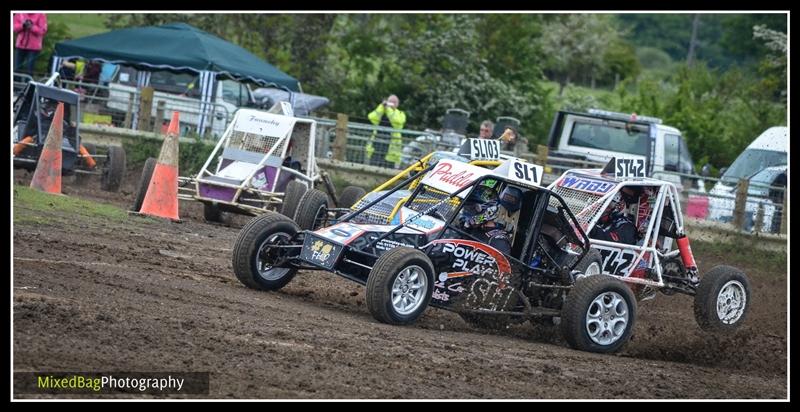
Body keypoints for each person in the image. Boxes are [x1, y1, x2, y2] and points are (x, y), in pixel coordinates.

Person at [459, 182, 523, 254]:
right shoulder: (468, 228)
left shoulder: (498, 242)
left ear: (489, 211)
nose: (466, 211)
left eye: (471, 208)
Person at [366, 94, 406, 169]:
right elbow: (371, 117)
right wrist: (381, 106)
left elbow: (397, 121)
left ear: (397, 104)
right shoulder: (381, 111)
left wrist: (389, 109)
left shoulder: (401, 114)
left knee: (388, 170)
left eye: (394, 102)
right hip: (377, 145)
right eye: (390, 101)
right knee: (373, 167)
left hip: (391, 150)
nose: (392, 103)